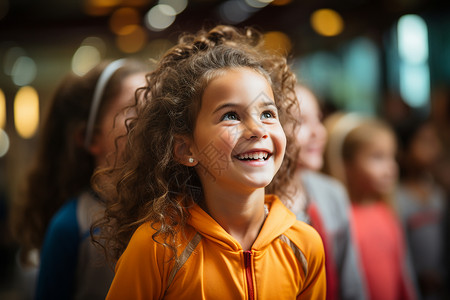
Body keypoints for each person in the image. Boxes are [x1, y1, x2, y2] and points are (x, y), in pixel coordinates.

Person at [94, 25, 326, 299]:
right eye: (230, 116)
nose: (258, 129)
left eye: (267, 113)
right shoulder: (158, 248)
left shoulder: (305, 245)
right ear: (184, 148)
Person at [10, 59, 147, 300]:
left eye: (157, 108)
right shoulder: (70, 226)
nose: (155, 123)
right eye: (136, 109)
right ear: (90, 138)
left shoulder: (172, 210)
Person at [324, 113, 417, 300]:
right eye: (377, 157)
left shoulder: (387, 211)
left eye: (392, 157)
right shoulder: (342, 218)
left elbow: (403, 275)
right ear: (346, 164)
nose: (390, 167)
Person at [288, 84, 367, 300]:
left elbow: (351, 282)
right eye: (301, 122)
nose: (319, 132)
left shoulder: (332, 193)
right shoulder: (258, 204)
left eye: (318, 119)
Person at [395, 116, 446, 300]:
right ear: (404, 150)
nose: (434, 149)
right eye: (425, 142)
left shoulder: (438, 192)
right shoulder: (397, 198)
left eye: (435, 142)